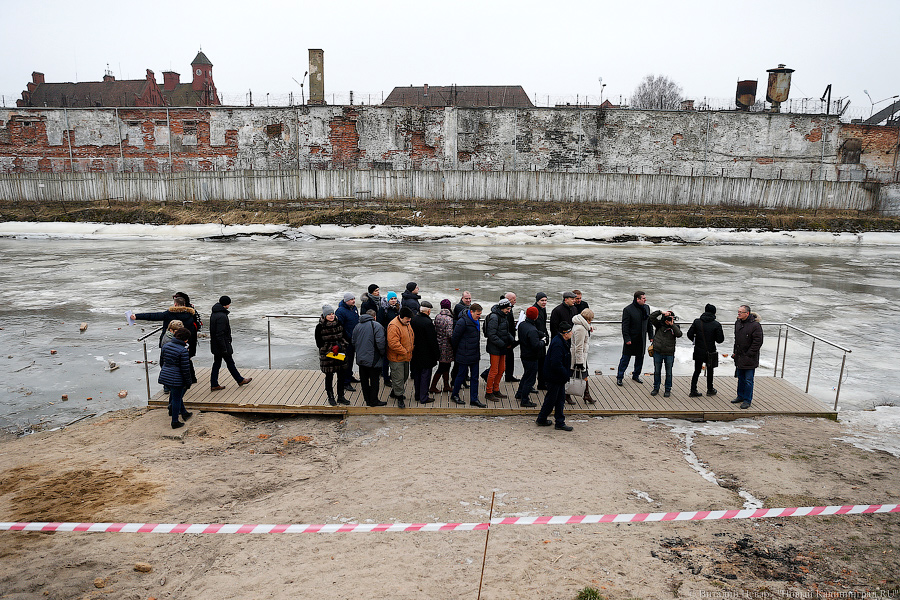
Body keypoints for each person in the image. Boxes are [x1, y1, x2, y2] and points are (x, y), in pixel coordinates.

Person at [132, 294, 200, 358]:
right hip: (184, 345)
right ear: (184, 304)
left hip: (169, 344)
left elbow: (153, 316)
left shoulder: (169, 314)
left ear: (175, 304)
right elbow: (192, 331)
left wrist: (136, 316)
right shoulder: (190, 315)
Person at [536, 321, 574, 431]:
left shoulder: (561, 341)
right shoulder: (558, 344)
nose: (572, 333)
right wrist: (566, 374)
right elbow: (556, 363)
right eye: (570, 331)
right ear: (565, 333)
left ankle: (559, 422)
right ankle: (542, 419)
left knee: (559, 399)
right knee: (552, 399)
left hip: (558, 377)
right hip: (555, 377)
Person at [209, 295, 252, 391]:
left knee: (217, 364)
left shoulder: (215, 313)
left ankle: (214, 384)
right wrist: (224, 348)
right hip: (222, 345)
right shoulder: (222, 316)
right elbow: (220, 333)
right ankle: (239, 380)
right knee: (229, 362)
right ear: (226, 304)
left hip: (216, 344)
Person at [450, 303, 486, 408]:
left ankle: (474, 399)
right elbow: (454, 338)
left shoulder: (476, 321)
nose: (479, 316)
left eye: (480, 314)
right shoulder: (462, 321)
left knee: (475, 378)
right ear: (471, 312)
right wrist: (459, 351)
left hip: (474, 353)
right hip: (464, 354)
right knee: (460, 376)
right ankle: (455, 394)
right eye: (478, 314)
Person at [158, 327, 193, 429]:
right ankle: (175, 421)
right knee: (177, 398)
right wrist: (188, 382)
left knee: (175, 395)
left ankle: (184, 413)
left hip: (165, 374)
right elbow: (185, 369)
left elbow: (162, 361)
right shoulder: (183, 351)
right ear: (185, 339)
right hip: (177, 377)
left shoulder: (166, 346)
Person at [687, 304, 725, 397]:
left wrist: (696, 341)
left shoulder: (697, 322)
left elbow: (689, 334)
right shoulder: (716, 324)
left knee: (697, 370)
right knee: (710, 370)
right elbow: (720, 340)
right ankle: (710, 389)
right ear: (714, 312)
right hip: (710, 350)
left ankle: (693, 390)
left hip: (699, 350)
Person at [315, 305, 350, 406]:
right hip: (328, 357)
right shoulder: (320, 327)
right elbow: (319, 344)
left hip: (340, 354)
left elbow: (345, 338)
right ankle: (330, 396)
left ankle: (341, 396)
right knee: (329, 376)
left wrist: (340, 346)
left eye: (332, 314)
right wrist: (331, 348)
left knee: (341, 376)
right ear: (325, 315)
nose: (331, 316)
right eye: (329, 314)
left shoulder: (339, 323)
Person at [616, 291, 653, 386]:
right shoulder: (628, 309)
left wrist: (651, 336)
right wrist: (627, 339)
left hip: (642, 338)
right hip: (631, 339)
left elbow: (649, 323)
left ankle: (636, 375)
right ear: (638, 299)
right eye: (643, 298)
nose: (645, 299)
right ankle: (619, 377)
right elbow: (625, 326)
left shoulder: (646, 308)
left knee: (640, 358)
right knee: (625, 359)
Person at [352, 309, 388, 407]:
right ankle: (374, 400)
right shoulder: (376, 326)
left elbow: (353, 341)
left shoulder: (357, 326)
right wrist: (382, 353)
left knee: (364, 381)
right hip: (373, 359)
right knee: (374, 380)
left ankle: (367, 400)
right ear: (374, 316)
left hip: (361, 358)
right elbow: (380, 342)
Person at [732, 305, 764, 409]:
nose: (739, 314)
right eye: (738, 312)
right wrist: (735, 353)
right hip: (739, 356)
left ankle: (747, 400)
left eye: (741, 312)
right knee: (740, 377)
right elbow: (736, 340)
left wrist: (749, 354)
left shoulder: (755, 325)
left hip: (750, 357)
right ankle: (740, 396)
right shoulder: (738, 323)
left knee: (748, 380)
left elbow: (758, 342)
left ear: (747, 313)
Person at [484, 297, 515, 402]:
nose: (509, 311)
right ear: (502, 308)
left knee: (502, 369)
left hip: (502, 347)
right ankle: (489, 392)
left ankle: (496, 389)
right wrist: (503, 344)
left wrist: (511, 340)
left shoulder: (503, 316)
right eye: (507, 309)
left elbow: (505, 331)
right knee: (494, 370)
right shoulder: (494, 317)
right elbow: (491, 334)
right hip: (495, 348)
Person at [410, 301, 439, 405]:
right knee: (425, 376)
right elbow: (432, 340)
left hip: (415, 353)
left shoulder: (413, 320)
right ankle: (424, 397)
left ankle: (417, 395)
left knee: (417, 375)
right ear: (429, 311)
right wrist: (437, 354)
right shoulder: (427, 323)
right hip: (426, 355)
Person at [648, 309, 682, 397]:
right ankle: (656, 388)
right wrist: (660, 312)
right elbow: (651, 317)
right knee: (657, 371)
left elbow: (679, 334)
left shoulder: (675, 327)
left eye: (670, 318)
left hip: (669, 353)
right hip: (658, 351)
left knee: (669, 372)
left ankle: (668, 389)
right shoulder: (659, 325)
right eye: (667, 318)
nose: (668, 320)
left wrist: (672, 325)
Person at [387, 306, 415, 409]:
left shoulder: (406, 323)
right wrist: (405, 351)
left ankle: (395, 392)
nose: (409, 320)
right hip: (397, 357)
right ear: (402, 317)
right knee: (398, 378)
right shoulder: (394, 326)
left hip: (406, 356)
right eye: (408, 319)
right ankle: (399, 398)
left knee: (404, 376)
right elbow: (393, 344)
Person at [514, 306, 542, 408]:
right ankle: (524, 400)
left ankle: (519, 393)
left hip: (524, 354)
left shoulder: (522, 325)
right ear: (536, 316)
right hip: (531, 356)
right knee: (530, 379)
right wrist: (542, 342)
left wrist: (538, 334)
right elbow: (536, 345)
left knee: (526, 375)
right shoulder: (532, 329)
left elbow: (528, 335)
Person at [570, 308, 596, 404]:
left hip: (581, 356)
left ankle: (586, 395)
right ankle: (585, 395)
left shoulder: (580, 325)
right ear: (587, 319)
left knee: (581, 375)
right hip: (579, 357)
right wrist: (580, 362)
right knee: (579, 376)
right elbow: (579, 346)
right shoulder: (580, 329)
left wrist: (590, 328)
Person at [335, 292, 360, 389]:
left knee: (351, 359)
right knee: (346, 361)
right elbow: (339, 327)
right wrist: (346, 337)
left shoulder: (354, 308)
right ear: (346, 301)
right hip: (346, 341)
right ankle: (345, 382)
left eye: (354, 299)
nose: (353, 301)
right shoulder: (340, 311)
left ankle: (349, 376)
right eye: (351, 299)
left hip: (353, 339)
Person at [430, 299, 455, 394]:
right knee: (443, 366)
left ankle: (446, 385)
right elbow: (449, 334)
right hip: (446, 346)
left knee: (445, 365)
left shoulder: (437, 316)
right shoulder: (449, 319)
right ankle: (433, 386)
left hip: (439, 344)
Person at [377, 291, 401, 387]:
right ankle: (386, 378)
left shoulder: (398, 308)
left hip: (397, 337)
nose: (393, 300)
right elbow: (379, 323)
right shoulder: (383, 309)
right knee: (386, 359)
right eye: (391, 299)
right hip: (387, 337)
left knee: (395, 357)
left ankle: (393, 376)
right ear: (388, 300)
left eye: (395, 298)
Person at [451, 291, 474, 386]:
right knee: (458, 362)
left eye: (469, 298)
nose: (468, 300)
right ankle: (454, 380)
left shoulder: (469, 307)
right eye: (466, 299)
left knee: (464, 361)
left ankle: (463, 379)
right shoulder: (459, 307)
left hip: (465, 338)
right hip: (460, 338)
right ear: (462, 299)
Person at [532, 292, 550, 390]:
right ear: (537, 301)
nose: (544, 302)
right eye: (542, 300)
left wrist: (546, 336)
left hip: (542, 339)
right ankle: (532, 385)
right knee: (536, 364)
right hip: (537, 340)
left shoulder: (543, 309)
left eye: (545, 300)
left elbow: (543, 325)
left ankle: (541, 383)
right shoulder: (534, 310)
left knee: (542, 363)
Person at [503, 292, 520, 382]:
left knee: (509, 359)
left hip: (509, 338)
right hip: (507, 340)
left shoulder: (509, 309)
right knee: (505, 359)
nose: (515, 301)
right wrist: (509, 341)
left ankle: (509, 376)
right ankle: (486, 374)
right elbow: (505, 327)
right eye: (514, 299)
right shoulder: (506, 311)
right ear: (509, 300)